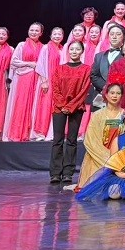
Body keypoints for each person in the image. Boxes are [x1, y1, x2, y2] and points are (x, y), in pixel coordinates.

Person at [76, 103, 125, 201]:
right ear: (123, 120)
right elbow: (112, 163)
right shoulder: (117, 140)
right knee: (114, 194)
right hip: (120, 173)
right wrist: (120, 174)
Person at [71, 74, 125, 191]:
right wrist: (108, 158)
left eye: (118, 93)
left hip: (120, 156)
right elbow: (90, 140)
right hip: (98, 157)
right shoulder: (97, 115)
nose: (114, 96)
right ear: (106, 94)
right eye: (112, 93)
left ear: (122, 95)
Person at [49, 39, 91, 185]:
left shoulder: (86, 69)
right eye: (72, 49)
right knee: (57, 140)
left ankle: (68, 173)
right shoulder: (59, 69)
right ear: (68, 51)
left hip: (76, 107)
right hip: (59, 107)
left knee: (72, 140)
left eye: (77, 49)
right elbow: (55, 89)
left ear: (82, 51)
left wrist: (71, 106)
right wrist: (63, 106)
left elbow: (84, 90)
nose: (74, 51)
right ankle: (55, 173)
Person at [3, 23, 44, 142]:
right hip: (22, 78)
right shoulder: (22, 45)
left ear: (41, 33)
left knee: (33, 105)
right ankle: (16, 132)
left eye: (36, 31)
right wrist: (30, 64)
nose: (34, 32)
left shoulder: (43, 47)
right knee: (21, 103)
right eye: (32, 30)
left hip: (36, 79)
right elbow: (14, 61)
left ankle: (30, 132)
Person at [89, 23, 125, 109]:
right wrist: (105, 87)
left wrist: (115, 90)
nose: (114, 37)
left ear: (124, 37)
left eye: (118, 34)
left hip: (120, 96)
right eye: (112, 34)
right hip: (100, 96)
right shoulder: (99, 56)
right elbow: (94, 75)